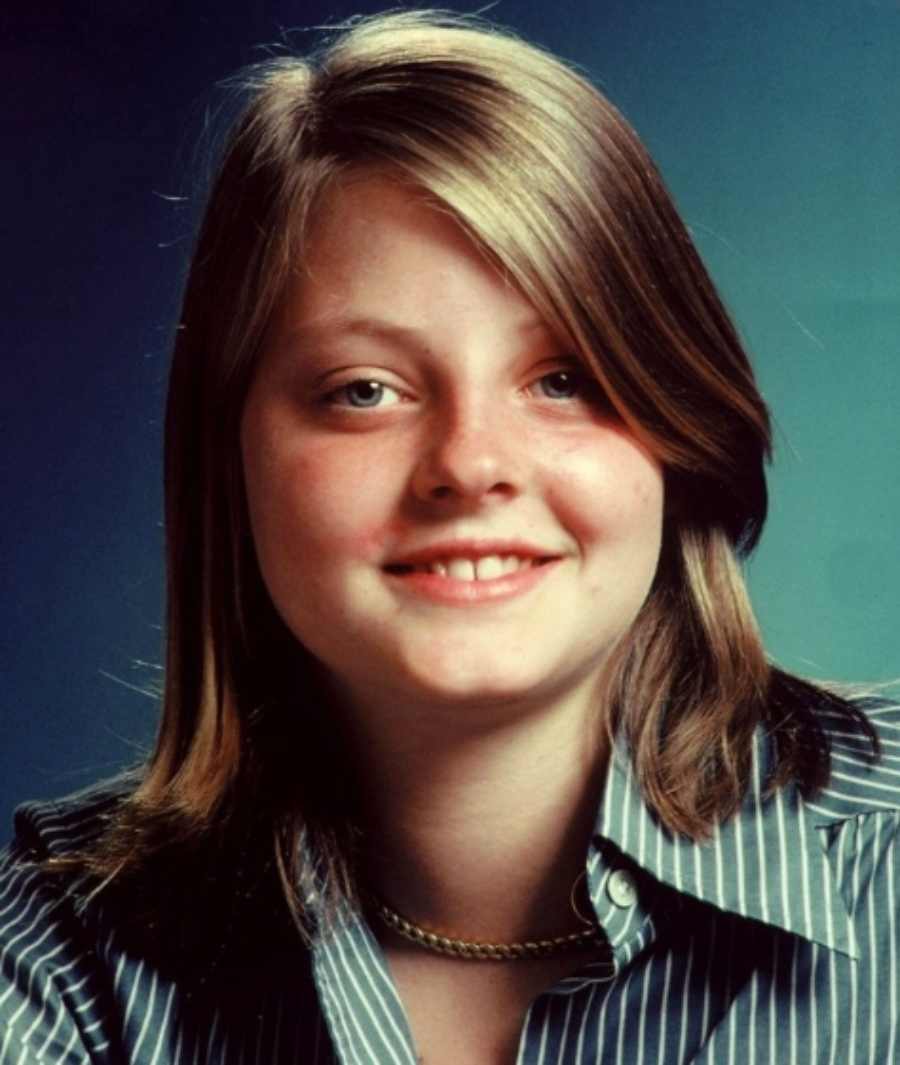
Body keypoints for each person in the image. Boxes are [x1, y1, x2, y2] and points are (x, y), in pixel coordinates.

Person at [1, 11, 898, 1064]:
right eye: (364, 390)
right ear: (228, 454)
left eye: (563, 379)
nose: (471, 464)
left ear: (676, 425)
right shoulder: (67, 947)